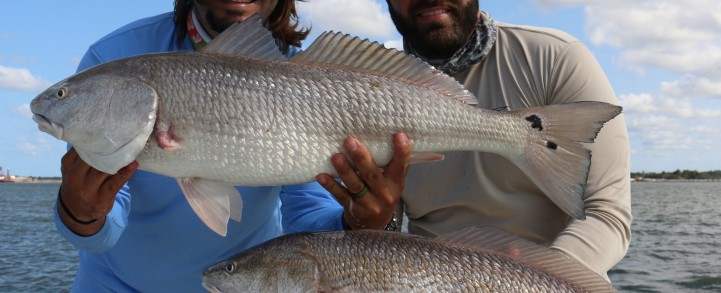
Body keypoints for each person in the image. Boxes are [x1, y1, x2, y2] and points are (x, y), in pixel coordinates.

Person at [54, 0, 410, 292]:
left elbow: (307, 217)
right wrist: (80, 213)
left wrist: (362, 221)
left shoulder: (308, 78)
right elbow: (102, 231)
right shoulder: (113, 60)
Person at [288, 0, 632, 280]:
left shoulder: (556, 57)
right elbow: (386, 231)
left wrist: (537, 279)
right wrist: (376, 216)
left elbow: (607, 212)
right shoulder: (359, 87)